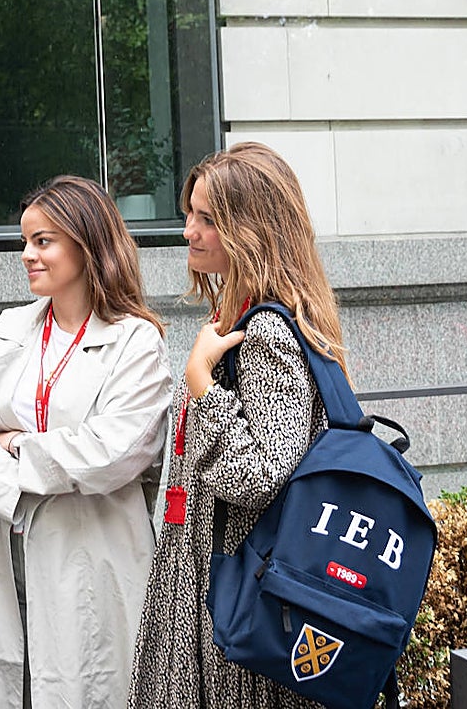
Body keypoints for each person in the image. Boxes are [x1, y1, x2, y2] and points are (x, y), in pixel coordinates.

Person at [129, 142, 346, 709]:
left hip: (233, 594)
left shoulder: (266, 334)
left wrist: (201, 380)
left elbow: (257, 473)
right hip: (220, 580)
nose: (188, 233)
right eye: (189, 216)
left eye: (207, 219)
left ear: (251, 227)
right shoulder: (245, 317)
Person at [0, 175, 172, 709]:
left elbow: (114, 450)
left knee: (85, 685)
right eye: (25, 241)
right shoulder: (10, 328)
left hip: (90, 558)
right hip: (9, 543)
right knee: (8, 686)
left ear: (86, 243)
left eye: (43, 241)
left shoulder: (135, 340)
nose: (27, 254)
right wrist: (24, 484)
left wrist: (18, 446)